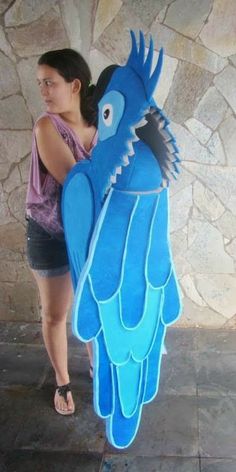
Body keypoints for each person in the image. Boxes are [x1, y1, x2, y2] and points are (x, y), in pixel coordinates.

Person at [25, 48, 97, 415]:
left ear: (75, 85)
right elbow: (76, 183)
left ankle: (98, 368)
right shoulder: (47, 127)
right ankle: (63, 382)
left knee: (93, 305)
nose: (44, 91)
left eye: (49, 83)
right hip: (50, 233)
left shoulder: (102, 124)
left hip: (91, 234)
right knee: (56, 312)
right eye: (40, 84)